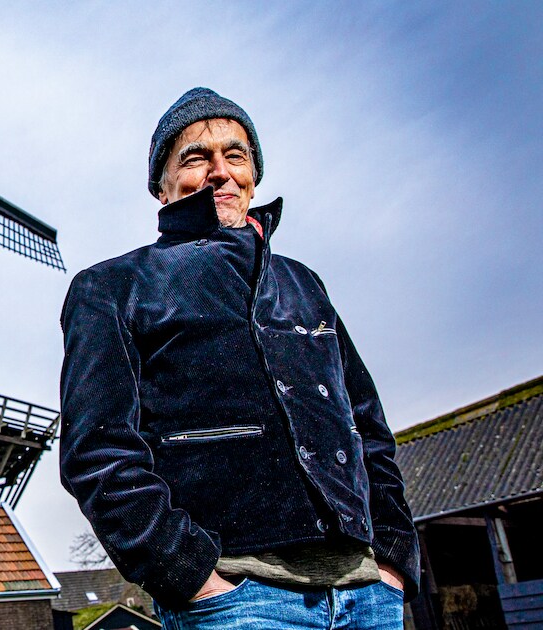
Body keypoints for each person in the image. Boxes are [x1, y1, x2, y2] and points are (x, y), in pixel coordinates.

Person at [59, 88, 420, 629]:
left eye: (236, 155)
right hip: (238, 600)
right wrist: (191, 576)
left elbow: (366, 426)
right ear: (162, 187)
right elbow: (98, 449)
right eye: (196, 157)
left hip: (366, 595)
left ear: (253, 175)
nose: (219, 172)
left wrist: (392, 560)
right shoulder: (114, 287)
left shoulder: (303, 284)